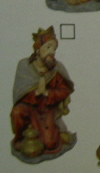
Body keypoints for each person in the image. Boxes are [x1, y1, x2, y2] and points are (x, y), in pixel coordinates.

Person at [11, 27, 76, 162]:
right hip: (29, 106)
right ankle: (21, 139)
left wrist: (47, 92)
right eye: (48, 47)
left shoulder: (56, 68)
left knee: (49, 144)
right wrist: (36, 92)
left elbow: (64, 91)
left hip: (48, 108)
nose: (52, 52)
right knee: (17, 112)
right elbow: (20, 91)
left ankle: (59, 135)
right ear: (37, 49)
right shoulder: (25, 66)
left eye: (54, 48)